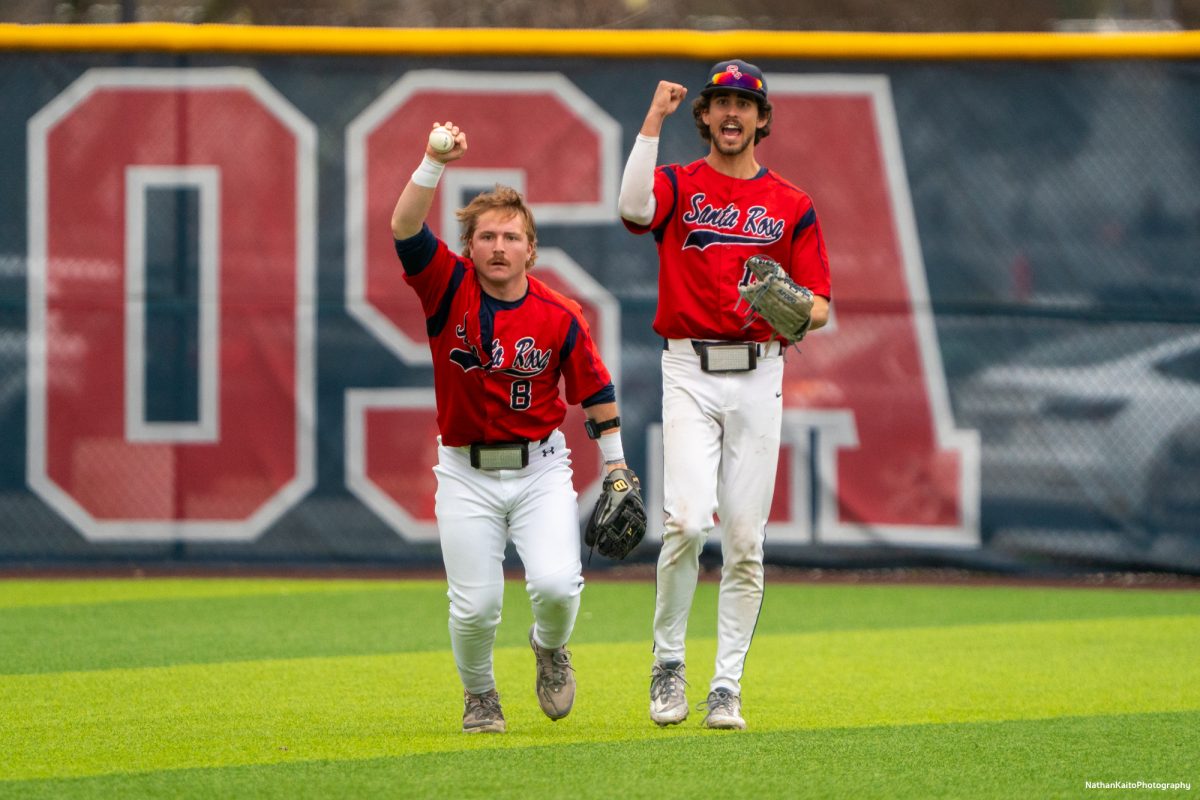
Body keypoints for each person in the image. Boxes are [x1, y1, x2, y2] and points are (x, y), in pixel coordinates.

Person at [392, 121, 632, 734]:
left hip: (540, 468)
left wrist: (616, 465)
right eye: (487, 236)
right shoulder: (447, 289)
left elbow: (597, 393)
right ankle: (480, 696)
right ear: (469, 247)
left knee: (555, 587)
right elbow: (404, 227)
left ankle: (549, 648)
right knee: (476, 606)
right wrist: (431, 162)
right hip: (465, 470)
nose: (499, 246)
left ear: (532, 249)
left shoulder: (559, 314)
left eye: (512, 237)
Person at [618, 60, 832, 730]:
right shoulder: (679, 184)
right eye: (721, 104)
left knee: (744, 540)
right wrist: (651, 119)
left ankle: (726, 686)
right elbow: (631, 208)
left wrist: (791, 300)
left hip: (760, 372)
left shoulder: (792, 203)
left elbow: (820, 308)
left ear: (762, 120)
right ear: (704, 116)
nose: (733, 114)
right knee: (685, 522)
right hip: (688, 368)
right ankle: (668, 664)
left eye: (745, 104)